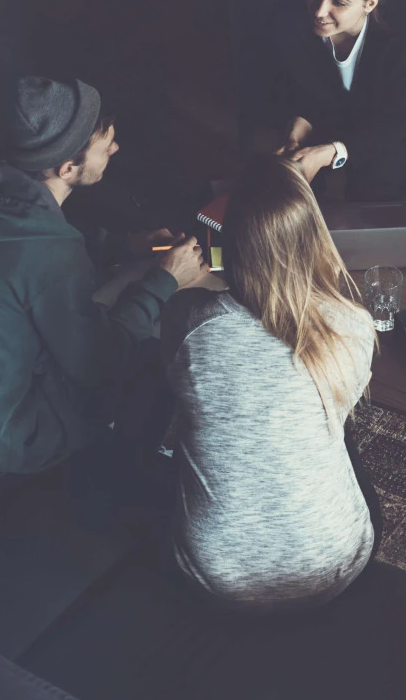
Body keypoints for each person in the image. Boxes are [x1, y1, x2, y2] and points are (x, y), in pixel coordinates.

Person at [0, 76, 208, 477]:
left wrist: (122, 247)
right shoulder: (50, 255)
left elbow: (27, 247)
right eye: (105, 145)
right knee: (141, 359)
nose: (115, 148)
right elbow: (100, 361)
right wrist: (164, 280)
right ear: (69, 167)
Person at [161, 155, 379, 613]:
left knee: (181, 426)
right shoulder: (354, 325)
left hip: (221, 579)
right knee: (333, 430)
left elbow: (180, 375)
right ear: (315, 237)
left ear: (231, 240)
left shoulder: (191, 321)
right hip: (338, 563)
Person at [238, 0, 406, 201]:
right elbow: (286, 80)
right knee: (278, 168)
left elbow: (394, 122)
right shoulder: (288, 11)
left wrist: (333, 151)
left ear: (370, 3)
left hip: (383, 124)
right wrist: (299, 120)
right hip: (322, 110)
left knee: (377, 184)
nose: (318, 11)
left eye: (338, 2)